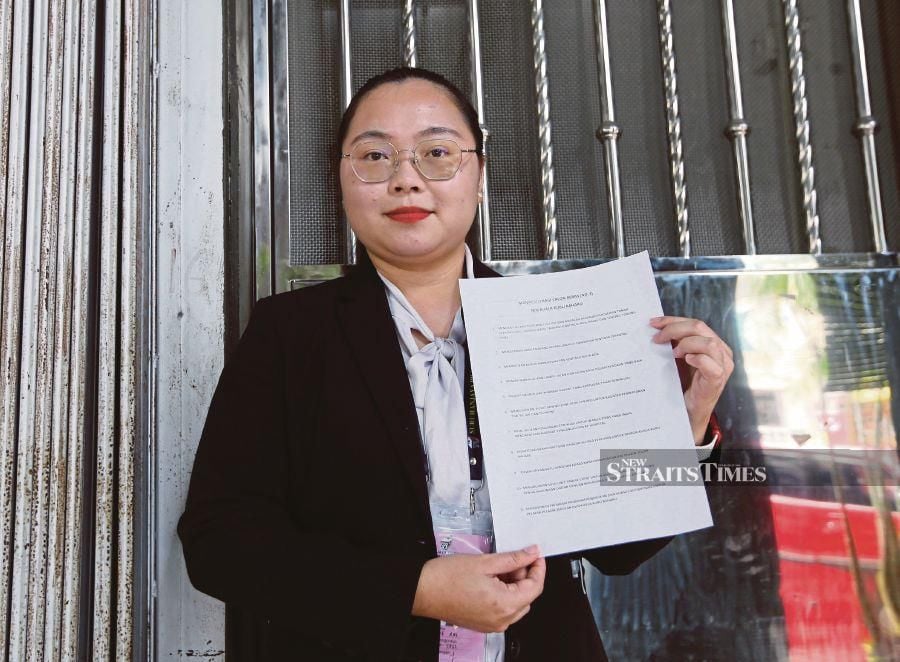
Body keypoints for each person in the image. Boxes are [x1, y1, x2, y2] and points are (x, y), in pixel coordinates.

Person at [177, 67, 734, 662]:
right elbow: (221, 542)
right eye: (374, 156)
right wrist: (414, 589)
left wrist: (687, 422)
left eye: (437, 153)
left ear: (479, 175)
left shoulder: (556, 327)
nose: (406, 180)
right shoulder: (289, 334)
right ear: (342, 180)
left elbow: (619, 551)